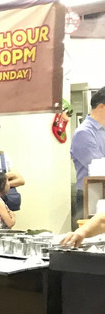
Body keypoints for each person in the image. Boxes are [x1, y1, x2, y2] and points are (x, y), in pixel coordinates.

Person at [71, 88, 105, 224]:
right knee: (91, 234)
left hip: (101, 192)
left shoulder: (102, 131)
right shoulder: (84, 133)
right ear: (101, 107)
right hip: (91, 194)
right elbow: (99, 167)